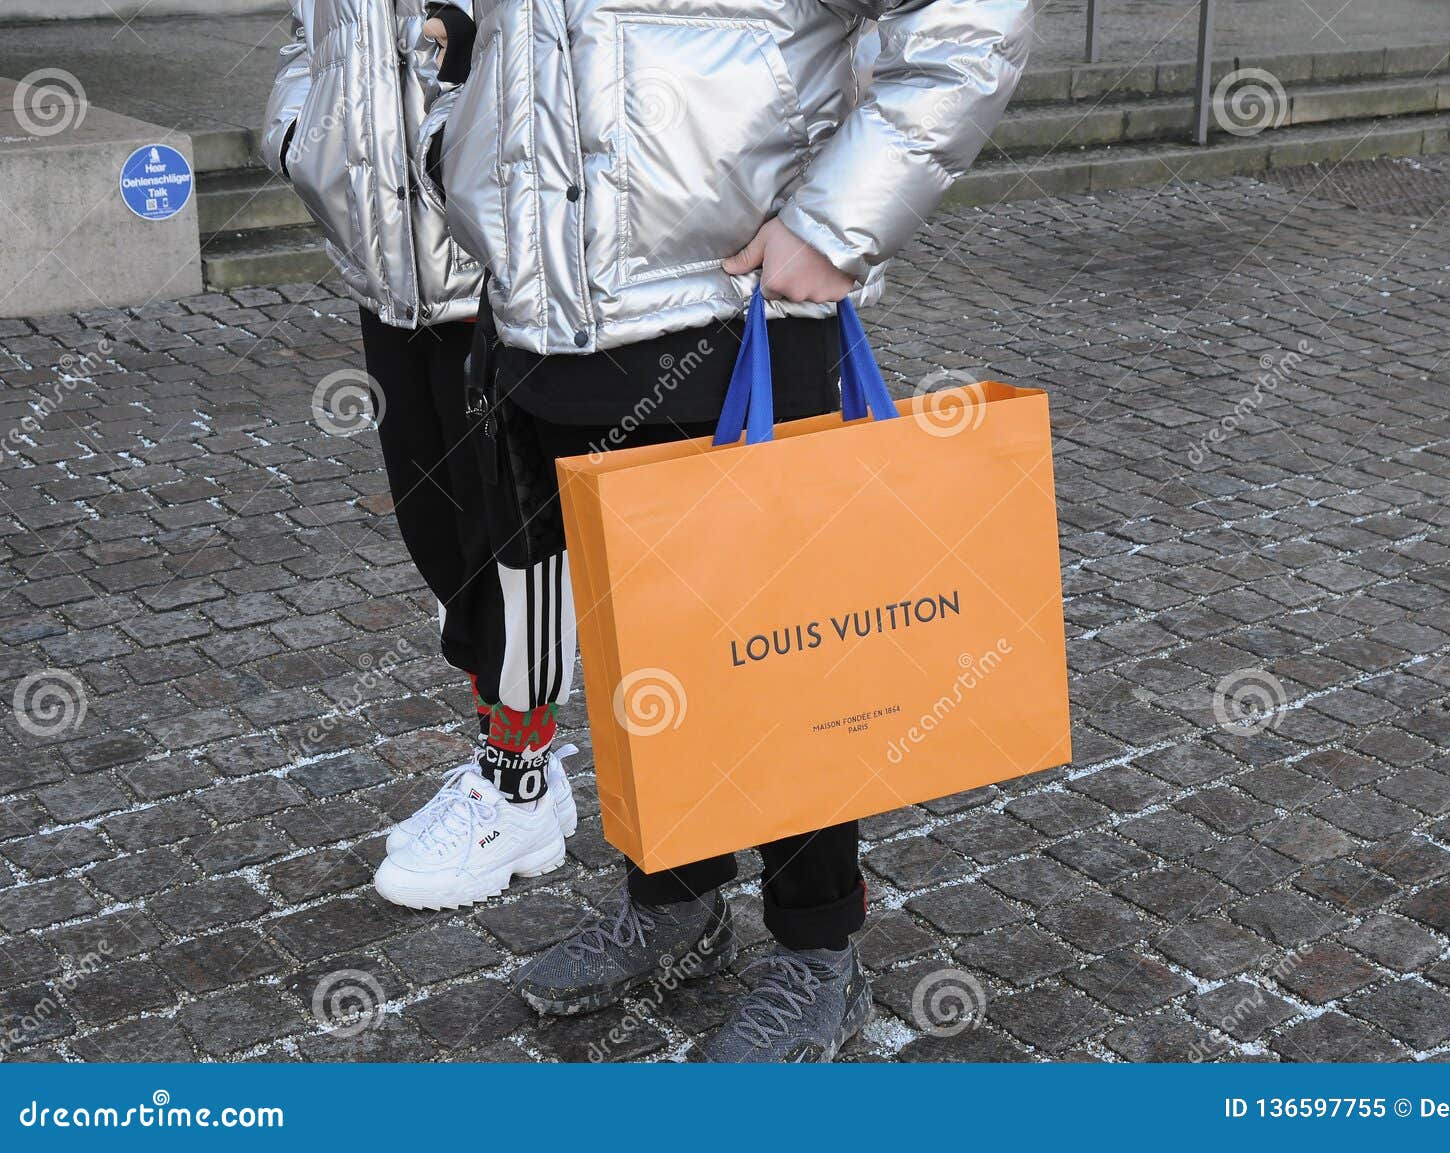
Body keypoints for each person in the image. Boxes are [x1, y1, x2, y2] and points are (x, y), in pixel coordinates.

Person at [421, 0, 1032, 1060]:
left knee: (789, 649)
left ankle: (814, 945)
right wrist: (452, 145)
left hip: (732, 303)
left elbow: (968, 16)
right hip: (542, 315)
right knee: (631, 644)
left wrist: (838, 221)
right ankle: (673, 896)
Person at [263, 1, 586, 912]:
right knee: (436, 532)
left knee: (518, 546)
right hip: (385, 265)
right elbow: (309, 38)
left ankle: (517, 779)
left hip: (503, 272)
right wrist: (302, 142)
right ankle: (521, 763)